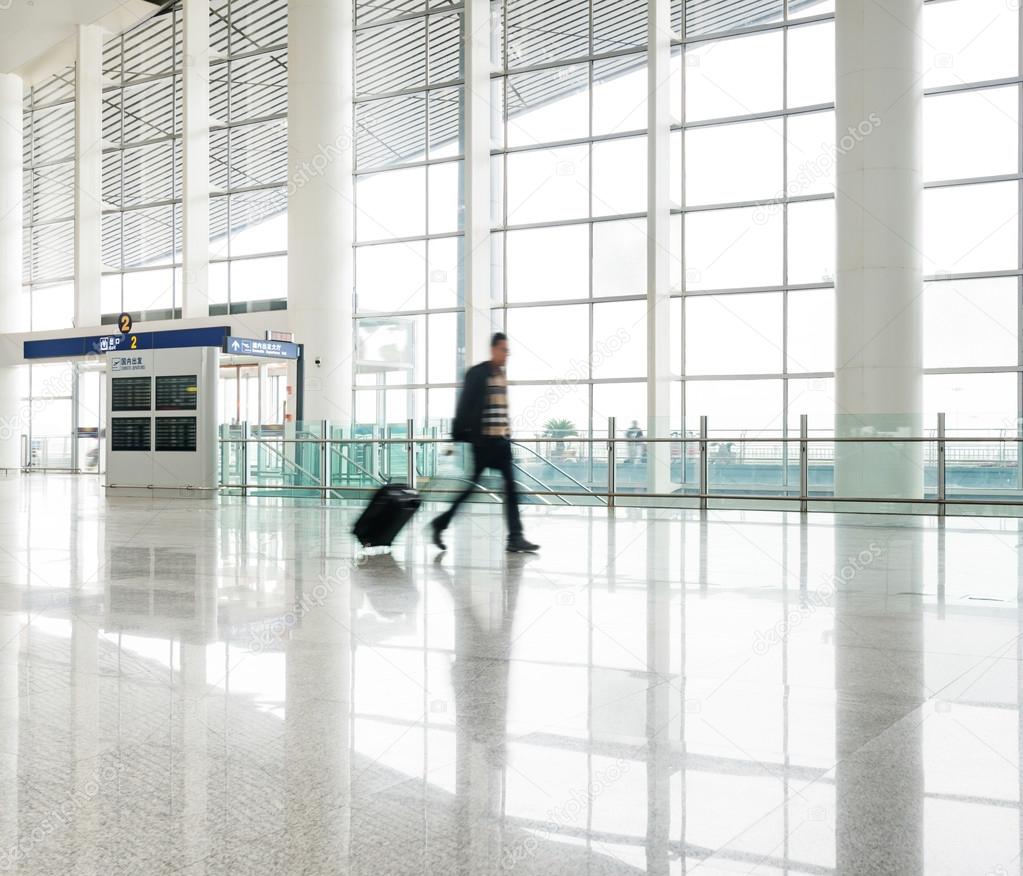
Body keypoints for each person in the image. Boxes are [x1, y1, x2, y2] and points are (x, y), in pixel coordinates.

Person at [431, 333, 539, 553]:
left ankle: (515, 537)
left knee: (510, 487)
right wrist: (456, 436)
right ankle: (440, 523)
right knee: (471, 489)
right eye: (503, 350)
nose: (506, 355)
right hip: (484, 443)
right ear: (493, 350)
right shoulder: (478, 374)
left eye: (508, 351)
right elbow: (464, 405)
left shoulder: (500, 375)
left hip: (502, 442)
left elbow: (501, 409)